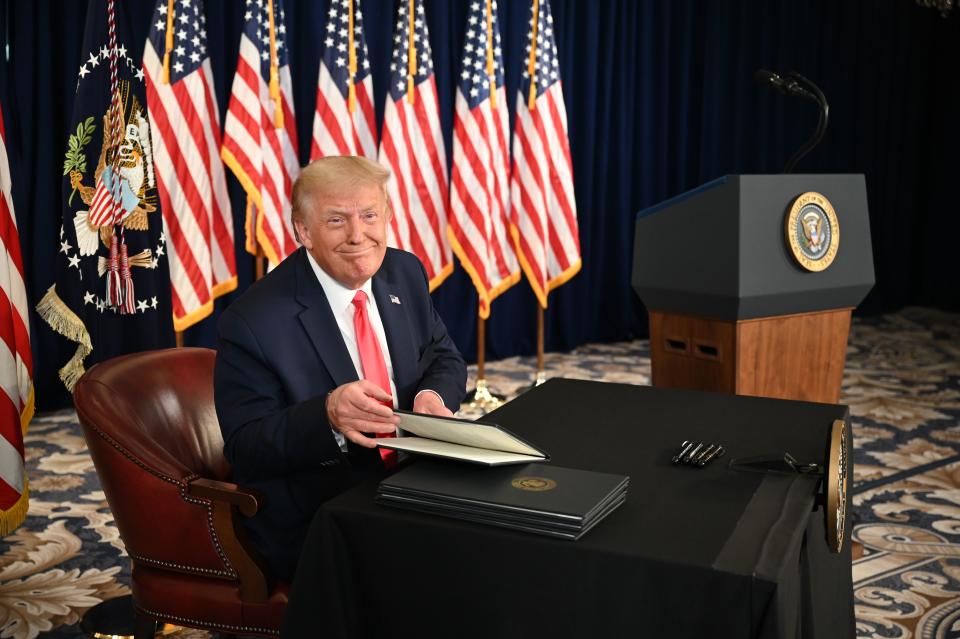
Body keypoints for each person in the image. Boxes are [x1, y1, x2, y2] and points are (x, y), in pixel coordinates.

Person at [214, 156, 467, 581]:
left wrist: (430, 398)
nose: (358, 235)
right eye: (336, 220)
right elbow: (246, 447)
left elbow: (442, 356)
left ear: (387, 216)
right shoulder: (253, 321)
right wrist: (327, 415)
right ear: (303, 231)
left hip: (414, 477)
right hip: (323, 508)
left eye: (369, 215)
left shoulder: (404, 272)